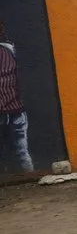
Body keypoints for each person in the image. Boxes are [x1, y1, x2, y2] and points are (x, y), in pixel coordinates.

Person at [0, 21, 34, 173]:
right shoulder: (10, 50)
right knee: (15, 155)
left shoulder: (10, 50)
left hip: (14, 112)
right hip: (10, 110)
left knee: (19, 154)